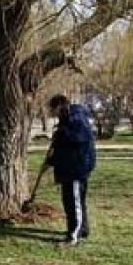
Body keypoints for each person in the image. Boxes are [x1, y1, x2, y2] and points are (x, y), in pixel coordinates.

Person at [45, 94, 96, 246]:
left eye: (53, 109)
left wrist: (62, 133)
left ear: (60, 105)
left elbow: (81, 137)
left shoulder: (76, 117)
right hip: (69, 166)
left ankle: (73, 236)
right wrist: (52, 161)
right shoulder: (66, 119)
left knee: (74, 202)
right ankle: (82, 229)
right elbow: (63, 148)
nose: (52, 113)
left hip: (76, 167)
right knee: (75, 200)